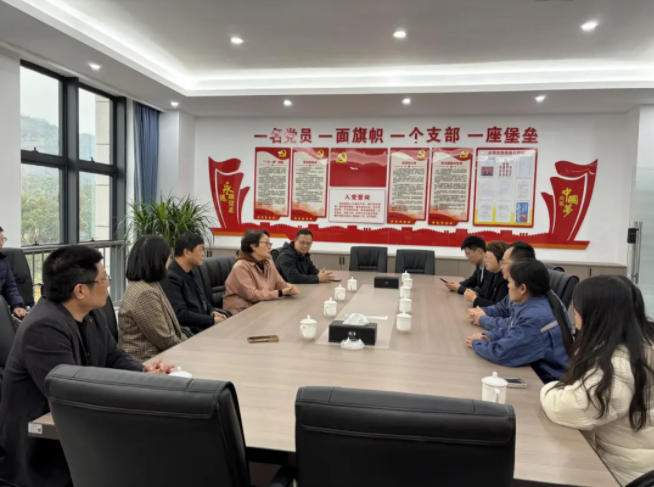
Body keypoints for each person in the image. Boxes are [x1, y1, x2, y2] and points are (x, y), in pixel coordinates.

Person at [0, 245, 173, 487]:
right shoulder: (43, 328)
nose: (108, 284)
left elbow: (112, 355)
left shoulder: (90, 313)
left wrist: (144, 372)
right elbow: (72, 392)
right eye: (104, 279)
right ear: (80, 290)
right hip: (42, 455)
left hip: (74, 438)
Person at [540, 276, 654, 486]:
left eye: (577, 309)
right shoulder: (640, 345)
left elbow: (568, 408)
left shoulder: (617, 366)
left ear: (595, 315)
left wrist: (549, 388)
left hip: (623, 475)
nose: (574, 314)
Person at [466, 260, 569, 382]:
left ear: (522, 288)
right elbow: (514, 327)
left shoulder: (534, 317)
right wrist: (489, 336)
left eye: (509, 282)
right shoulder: (535, 302)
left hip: (547, 379)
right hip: (536, 366)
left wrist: (477, 343)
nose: (508, 286)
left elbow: (502, 352)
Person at [119, 235, 187, 361]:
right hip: (147, 361)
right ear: (157, 260)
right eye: (168, 257)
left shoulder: (149, 284)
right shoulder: (144, 293)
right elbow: (164, 339)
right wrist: (189, 348)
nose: (170, 261)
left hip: (160, 357)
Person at [163, 232, 228, 334]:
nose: (203, 254)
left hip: (204, 327)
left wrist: (212, 312)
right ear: (187, 252)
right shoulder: (171, 278)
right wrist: (211, 320)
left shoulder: (193, 270)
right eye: (201, 249)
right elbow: (181, 315)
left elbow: (203, 300)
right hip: (192, 333)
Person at [223, 230, 299, 315]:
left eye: (270, 243)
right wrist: (281, 292)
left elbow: (279, 283)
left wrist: (289, 287)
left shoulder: (268, 263)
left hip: (261, 308)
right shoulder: (240, 267)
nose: (269, 247)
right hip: (241, 313)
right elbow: (252, 295)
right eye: (266, 243)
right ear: (253, 246)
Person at [468, 241, 536, 332]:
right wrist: (480, 311)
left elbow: (512, 325)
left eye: (504, 262)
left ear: (519, 265)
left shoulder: (530, 297)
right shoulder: (516, 285)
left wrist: (482, 319)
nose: (501, 266)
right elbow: (500, 308)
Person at [464, 240, 508, 307]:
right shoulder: (491, 273)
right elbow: (484, 293)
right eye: (485, 257)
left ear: (501, 261)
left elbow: (498, 307)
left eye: (489, 258)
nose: (485, 261)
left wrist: (474, 299)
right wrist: (475, 293)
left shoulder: (505, 279)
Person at [0, 226, 27, 319]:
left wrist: (17, 305)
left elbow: (10, 287)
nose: (1, 244)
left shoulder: (3, 261)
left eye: (2, 239)